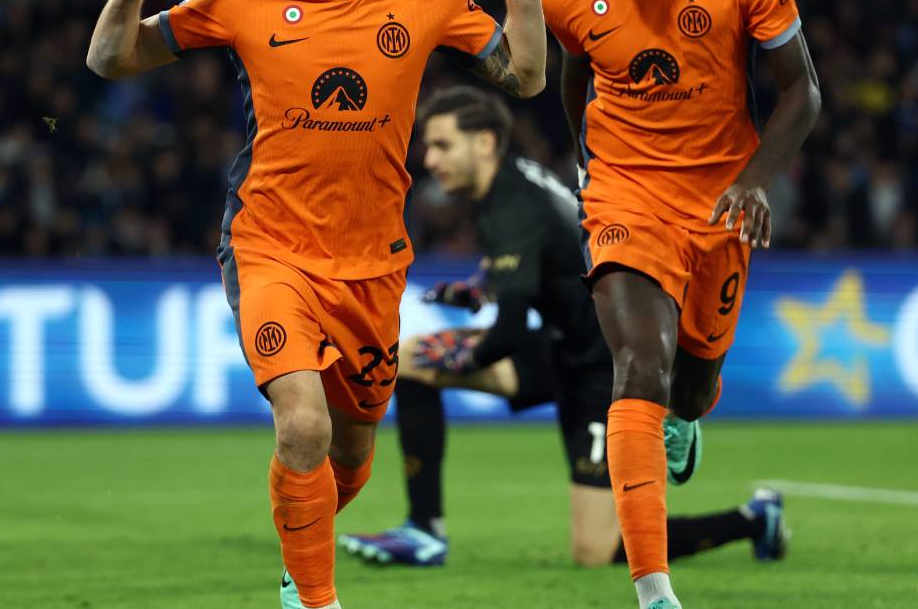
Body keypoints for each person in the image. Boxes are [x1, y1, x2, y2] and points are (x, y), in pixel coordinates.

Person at [85, 0, 552, 607]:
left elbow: (527, 76)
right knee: (303, 425)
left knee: (352, 453)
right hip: (271, 247)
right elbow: (111, 57)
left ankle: (298, 565)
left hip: (372, 263)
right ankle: (314, 599)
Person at [534, 0, 822, 609]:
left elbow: (803, 91)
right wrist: (586, 164)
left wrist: (755, 181)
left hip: (721, 198)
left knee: (690, 389)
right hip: (625, 193)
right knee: (638, 366)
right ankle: (655, 590)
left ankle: (688, 419)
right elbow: (572, 70)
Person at [337, 86, 789, 573]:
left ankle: (752, 519)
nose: (430, 160)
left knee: (597, 549)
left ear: (485, 143)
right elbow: (552, 256)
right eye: (428, 146)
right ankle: (424, 531)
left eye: (443, 145)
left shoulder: (510, 206)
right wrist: (481, 287)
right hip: (562, 345)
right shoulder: (512, 182)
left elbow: (508, 332)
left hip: (603, 370)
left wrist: (464, 358)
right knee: (410, 361)